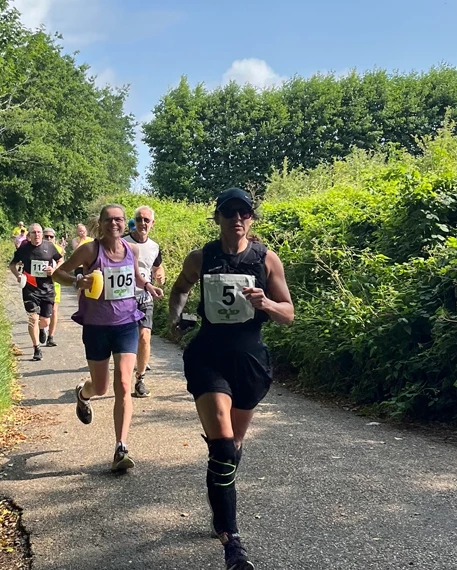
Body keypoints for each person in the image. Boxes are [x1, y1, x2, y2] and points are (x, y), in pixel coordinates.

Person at [167, 187, 294, 570]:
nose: (236, 218)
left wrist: (267, 303)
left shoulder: (267, 259)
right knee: (222, 449)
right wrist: (176, 317)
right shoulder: (201, 257)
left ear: (251, 219)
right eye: (229, 212)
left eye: (243, 212)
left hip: (249, 360)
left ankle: (220, 506)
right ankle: (232, 543)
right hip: (208, 356)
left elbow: (288, 313)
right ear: (218, 218)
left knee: (233, 447)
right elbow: (178, 290)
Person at [52, 205, 163, 472]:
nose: (115, 223)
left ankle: (121, 448)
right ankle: (83, 392)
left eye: (119, 220)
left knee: (124, 384)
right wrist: (78, 282)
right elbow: (58, 273)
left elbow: (135, 277)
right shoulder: (90, 250)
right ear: (100, 224)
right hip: (96, 327)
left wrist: (147, 285)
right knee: (101, 387)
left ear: (126, 224)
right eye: (109, 220)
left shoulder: (131, 250)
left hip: (126, 324)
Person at [124, 205, 166, 398]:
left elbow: (157, 267)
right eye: (139, 219)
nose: (142, 223)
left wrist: (160, 277)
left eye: (146, 220)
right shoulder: (122, 242)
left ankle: (139, 380)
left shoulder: (155, 247)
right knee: (125, 340)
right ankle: (122, 375)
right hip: (123, 297)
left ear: (152, 224)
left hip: (145, 296)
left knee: (144, 337)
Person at [9, 224, 63, 361]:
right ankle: (36, 348)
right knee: (33, 318)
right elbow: (12, 264)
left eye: (39, 232)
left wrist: (54, 269)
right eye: (34, 232)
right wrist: (18, 276)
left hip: (47, 288)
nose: (37, 235)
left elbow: (60, 260)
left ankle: (42, 329)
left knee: (45, 321)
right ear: (29, 235)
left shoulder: (49, 246)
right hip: (30, 288)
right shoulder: (24, 248)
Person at [43, 227, 63, 347]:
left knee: (54, 310)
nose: (49, 238)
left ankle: (50, 337)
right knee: (42, 311)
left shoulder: (59, 249)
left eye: (51, 236)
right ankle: (42, 329)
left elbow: (62, 264)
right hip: (40, 283)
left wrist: (54, 270)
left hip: (55, 282)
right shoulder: (37, 248)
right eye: (47, 236)